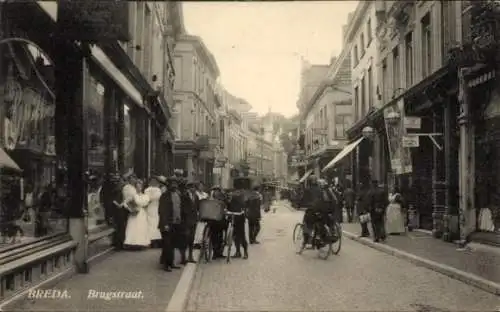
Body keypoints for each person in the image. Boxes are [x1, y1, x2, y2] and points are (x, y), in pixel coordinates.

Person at [158, 176, 184, 271]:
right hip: (167, 224)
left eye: (175, 184)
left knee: (173, 244)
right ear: (168, 185)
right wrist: (165, 224)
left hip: (176, 223)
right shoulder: (164, 196)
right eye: (172, 184)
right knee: (167, 244)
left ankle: (171, 262)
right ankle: (166, 264)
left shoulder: (178, 195)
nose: (174, 185)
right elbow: (162, 211)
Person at [123, 179, 150, 249]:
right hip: (134, 214)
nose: (139, 188)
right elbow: (125, 203)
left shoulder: (145, 196)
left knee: (141, 228)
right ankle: (132, 243)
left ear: (142, 187)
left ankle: (140, 243)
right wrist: (130, 210)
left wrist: (145, 207)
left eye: (140, 187)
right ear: (135, 187)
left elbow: (146, 205)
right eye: (137, 187)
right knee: (133, 227)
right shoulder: (133, 196)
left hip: (142, 213)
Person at [228, 178, 249, 259]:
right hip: (237, 216)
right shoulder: (242, 194)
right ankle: (240, 252)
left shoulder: (236, 194)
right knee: (239, 235)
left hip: (236, 216)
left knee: (238, 235)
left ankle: (241, 252)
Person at [182, 181, 199, 263]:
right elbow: (183, 208)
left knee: (192, 239)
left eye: (194, 188)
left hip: (194, 220)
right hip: (186, 220)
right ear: (188, 188)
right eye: (191, 187)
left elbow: (197, 207)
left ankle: (190, 256)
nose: (193, 189)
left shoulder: (196, 197)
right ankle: (183, 257)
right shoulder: (185, 196)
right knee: (185, 238)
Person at [144, 176, 164, 248]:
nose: (153, 182)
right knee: (150, 223)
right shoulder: (147, 190)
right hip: (150, 208)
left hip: (157, 208)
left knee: (156, 223)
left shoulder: (159, 190)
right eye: (152, 181)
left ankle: (157, 240)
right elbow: (146, 199)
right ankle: (150, 240)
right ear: (150, 182)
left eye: (155, 181)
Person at [208, 185, 227, 259]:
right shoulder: (210, 200)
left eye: (217, 191)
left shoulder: (221, 200)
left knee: (219, 236)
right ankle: (216, 252)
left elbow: (225, 208)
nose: (216, 192)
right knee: (215, 236)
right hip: (214, 221)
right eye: (215, 190)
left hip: (219, 221)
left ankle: (218, 252)